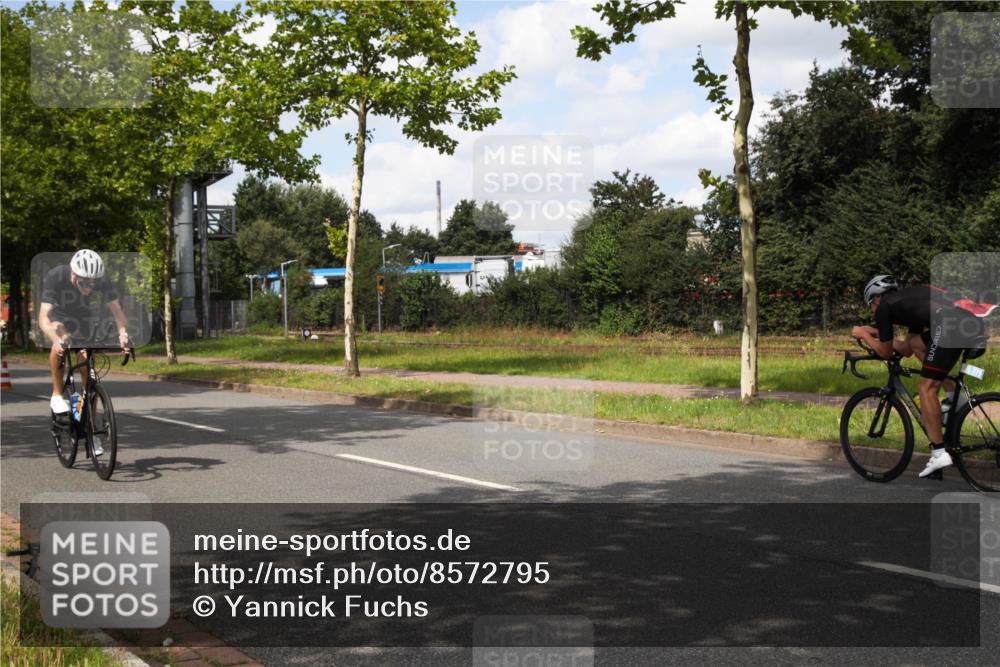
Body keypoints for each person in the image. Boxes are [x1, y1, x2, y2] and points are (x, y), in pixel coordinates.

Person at [851, 275, 987, 478]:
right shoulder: (909, 302)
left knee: (926, 388)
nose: (872, 310)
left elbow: (885, 353)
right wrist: (876, 332)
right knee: (917, 344)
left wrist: (864, 335)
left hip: (951, 326)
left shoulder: (884, 307)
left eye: (870, 304)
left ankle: (939, 453)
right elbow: (907, 348)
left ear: (876, 299)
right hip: (966, 322)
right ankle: (956, 401)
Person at [37, 250, 131, 419]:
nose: (88, 288)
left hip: (82, 316)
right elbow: (43, 317)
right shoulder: (56, 276)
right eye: (83, 284)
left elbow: (118, 312)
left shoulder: (102, 278)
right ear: (73, 274)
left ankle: (90, 429)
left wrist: (123, 335)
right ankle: (57, 395)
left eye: (92, 285)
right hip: (58, 315)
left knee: (89, 370)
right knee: (62, 339)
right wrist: (56, 340)